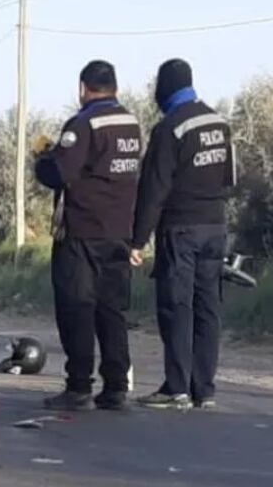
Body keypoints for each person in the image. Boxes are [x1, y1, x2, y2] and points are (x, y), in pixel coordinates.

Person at [33, 60, 142, 411]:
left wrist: (43, 157)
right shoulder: (131, 123)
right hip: (119, 232)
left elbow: (59, 173)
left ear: (83, 88)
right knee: (111, 310)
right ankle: (115, 386)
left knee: (76, 308)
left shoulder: (83, 124)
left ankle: (79, 385)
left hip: (82, 231)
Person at [131, 59, 235, 411]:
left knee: (177, 307)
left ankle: (176, 387)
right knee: (208, 308)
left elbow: (153, 189)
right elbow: (228, 178)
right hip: (215, 227)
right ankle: (204, 389)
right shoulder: (219, 123)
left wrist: (137, 239)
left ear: (165, 87)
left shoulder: (170, 128)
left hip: (181, 229)